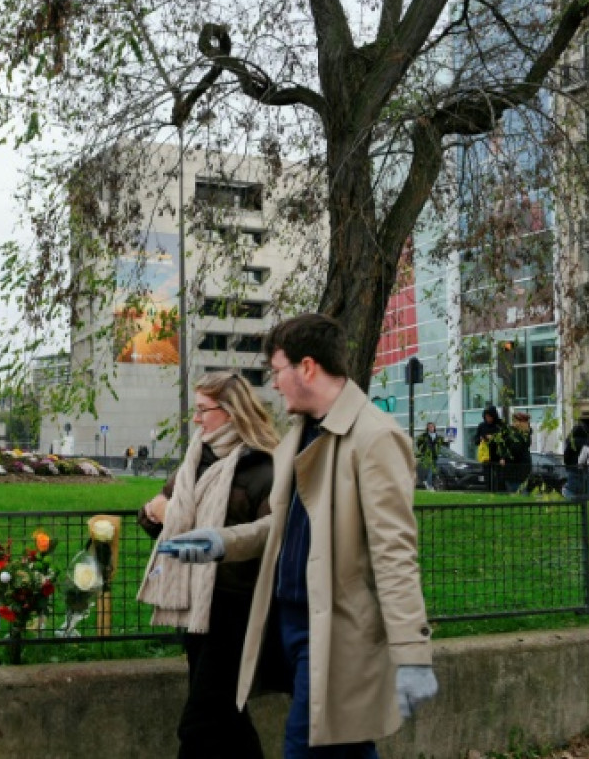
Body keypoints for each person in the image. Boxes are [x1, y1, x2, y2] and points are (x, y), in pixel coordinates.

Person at [166, 313, 437, 757]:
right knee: (344, 749)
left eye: (277, 371)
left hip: (334, 632)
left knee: (306, 747)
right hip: (289, 625)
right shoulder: (300, 435)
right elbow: (283, 526)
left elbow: (395, 555)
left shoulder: (374, 437)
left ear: (307, 367)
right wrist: (222, 542)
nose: (273, 384)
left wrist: (411, 653)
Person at [136, 372, 281, 759]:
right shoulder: (196, 460)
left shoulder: (262, 467)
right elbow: (154, 517)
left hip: (238, 607)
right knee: (229, 719)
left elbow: (269, 540)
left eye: (203, 410)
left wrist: (177, 519)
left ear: (231, 412)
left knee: (199, 724)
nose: (196, 419)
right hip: (197, 606)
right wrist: (156, 514)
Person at [474, 406, 507, 492]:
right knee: (488, 477)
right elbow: (476, 440)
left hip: (497, 456)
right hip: (486, 456)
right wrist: (481, 439)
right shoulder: (482, 426)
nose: (488, 419)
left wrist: (502, 457)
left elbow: (504, 441)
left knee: (498, 478)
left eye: (490, 417)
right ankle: (488, 491)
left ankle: (499, 492)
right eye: (486, 417)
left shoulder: (500, 425)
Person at [414, 423, 442, 491]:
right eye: (429, 427)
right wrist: (423, 450)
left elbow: (439, 444)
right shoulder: (424, 436)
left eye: (432, 427)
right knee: (430, 470)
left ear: (434, 427)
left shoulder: (437, 436)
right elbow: (418, 443)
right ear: (427, 428)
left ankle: (429, 483)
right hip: (428, 455)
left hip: (434, 455)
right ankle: (428, 484)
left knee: (434, 471)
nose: (431, 428)